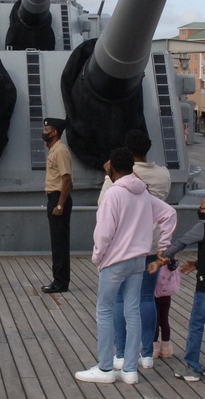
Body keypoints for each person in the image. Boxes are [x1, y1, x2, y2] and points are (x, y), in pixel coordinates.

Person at [75, 147, 176, 385]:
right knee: (133, 311)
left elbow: (104, 232)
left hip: (115, 260)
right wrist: (163, 246)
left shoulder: (113, 194)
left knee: (105, 310)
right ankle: (130, 369)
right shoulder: (142, 193)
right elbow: (169, 214)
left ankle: (106, 367)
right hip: (139, 259)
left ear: (112, 168)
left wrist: (98, 257)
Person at [150, 192, 205, 382]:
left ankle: (191, 366)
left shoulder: (203, 227)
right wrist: (198, 264)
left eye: (203, 207)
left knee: (196, 324)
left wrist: (162, 258)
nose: (201, 210)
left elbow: (180, 243)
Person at [40, 117, 73, 294]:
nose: (44, 133)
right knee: (57, 241)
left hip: (59, 198)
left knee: (60, 242)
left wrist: (60, 205)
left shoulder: (60, 150)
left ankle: (61, 282)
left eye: (47, 130)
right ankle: (58, 279)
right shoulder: (53, 149)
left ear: (54, 132)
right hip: (54, 197)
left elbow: (66, 179)